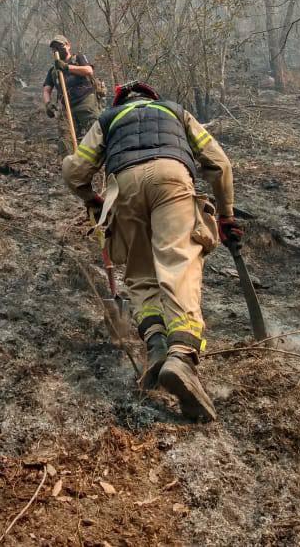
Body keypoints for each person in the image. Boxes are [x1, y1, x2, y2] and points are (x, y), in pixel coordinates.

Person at [62, 80, 240, 422]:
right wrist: (226, 214)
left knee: (141, 273)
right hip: (172, 179)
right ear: (152, 98)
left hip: (123, 187)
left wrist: (92, 200)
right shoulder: (175, 111)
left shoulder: (107, 119)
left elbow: (74, 171)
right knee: (178, 262)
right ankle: (182, 355)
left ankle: (157, 346)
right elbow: (219, 163)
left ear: (120, 101)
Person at [42, 34, 100, 150]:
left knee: (96, 136)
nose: (57, 50)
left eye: (60, 46)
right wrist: (47, 104)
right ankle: (70, 160)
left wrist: (67, 67)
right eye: (54, 48)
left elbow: (88, 70)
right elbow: (46, 90)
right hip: (66, 108)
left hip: (85, 103)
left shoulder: (78, 58)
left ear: (68, 45)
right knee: (65, 141)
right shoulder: (53, 70)